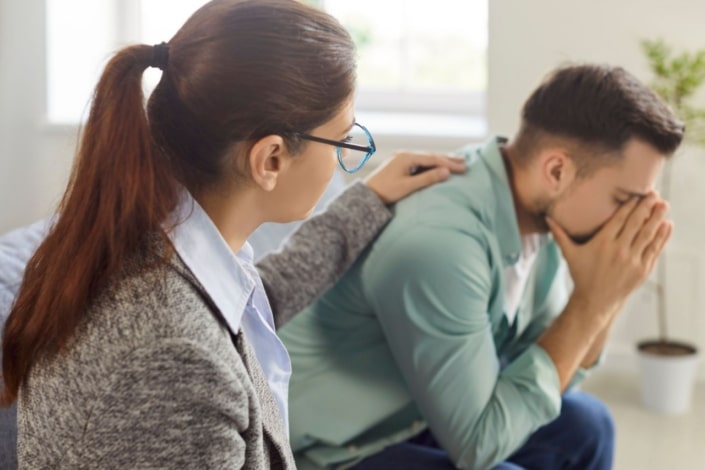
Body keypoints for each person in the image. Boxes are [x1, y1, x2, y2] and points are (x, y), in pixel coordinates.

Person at [0, 0, 465, 468]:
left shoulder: (157, 243)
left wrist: (368, 200)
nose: (348, 155)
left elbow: (258, 300)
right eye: (343, 140)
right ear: (271, 160)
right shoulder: (174, 361)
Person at [279, 63, 685, 470]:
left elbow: (553, 373)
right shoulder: (440, 244)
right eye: (624, 199)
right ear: (557, 171)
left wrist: (609, 292)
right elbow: (478, 447)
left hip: (414, 410)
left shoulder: (536, 211)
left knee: (589, 425)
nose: (633, 220)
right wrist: (594, 301)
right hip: (334, 448)